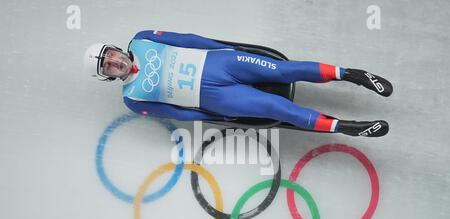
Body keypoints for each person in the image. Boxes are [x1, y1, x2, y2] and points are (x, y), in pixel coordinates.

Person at [84, 30, 393, 137]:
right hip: (214, 98)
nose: (113, 61)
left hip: (220, 63)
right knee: (279, 109)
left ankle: (350, 74)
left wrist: (222, 48)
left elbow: (187, 39)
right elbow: (175, 113)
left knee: (284, 71)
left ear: (114, 48)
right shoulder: (133, 99)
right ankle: (347, 128)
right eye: (107, 66)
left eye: (109, 54)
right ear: (108, 76)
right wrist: (211, 116)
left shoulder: (143, 38)